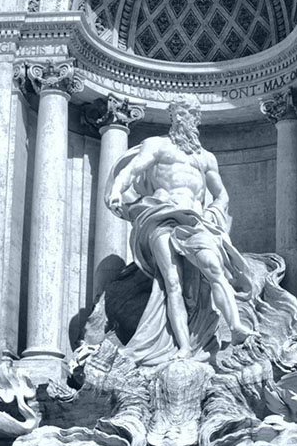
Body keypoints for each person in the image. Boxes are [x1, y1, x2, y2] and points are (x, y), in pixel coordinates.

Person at [105, 96, 258, 365]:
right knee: (171, 283)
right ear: (173, 117)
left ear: (197, 120)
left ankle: (235, 327)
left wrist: (214, 213)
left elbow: (221, 195)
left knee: (214, 269)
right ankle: (184, 347)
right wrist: (117, 190)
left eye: (192, 114)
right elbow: (131, 170)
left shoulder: (206, 158)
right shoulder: (158, 146)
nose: (187, 119)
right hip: (160, 217)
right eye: (182, 113)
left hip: (195, 221)